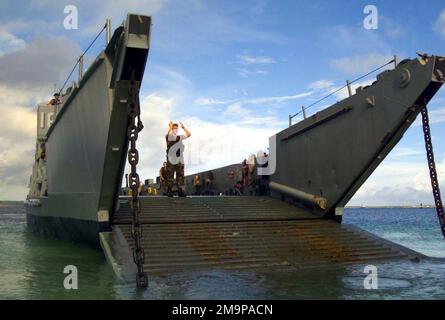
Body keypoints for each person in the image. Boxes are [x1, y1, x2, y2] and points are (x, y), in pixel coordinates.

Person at [165, 121, 191, 197]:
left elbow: (189, 134)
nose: (175, 130)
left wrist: (183, 127)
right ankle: (169, 190)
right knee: (170, 174)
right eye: (174, 128)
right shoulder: (168, 136)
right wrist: (170, 127)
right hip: (171, 157)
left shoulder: (179, 137)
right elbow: (169, 135)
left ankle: (180, 190)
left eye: (176, 128)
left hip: (179, 157)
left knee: (180, 174)